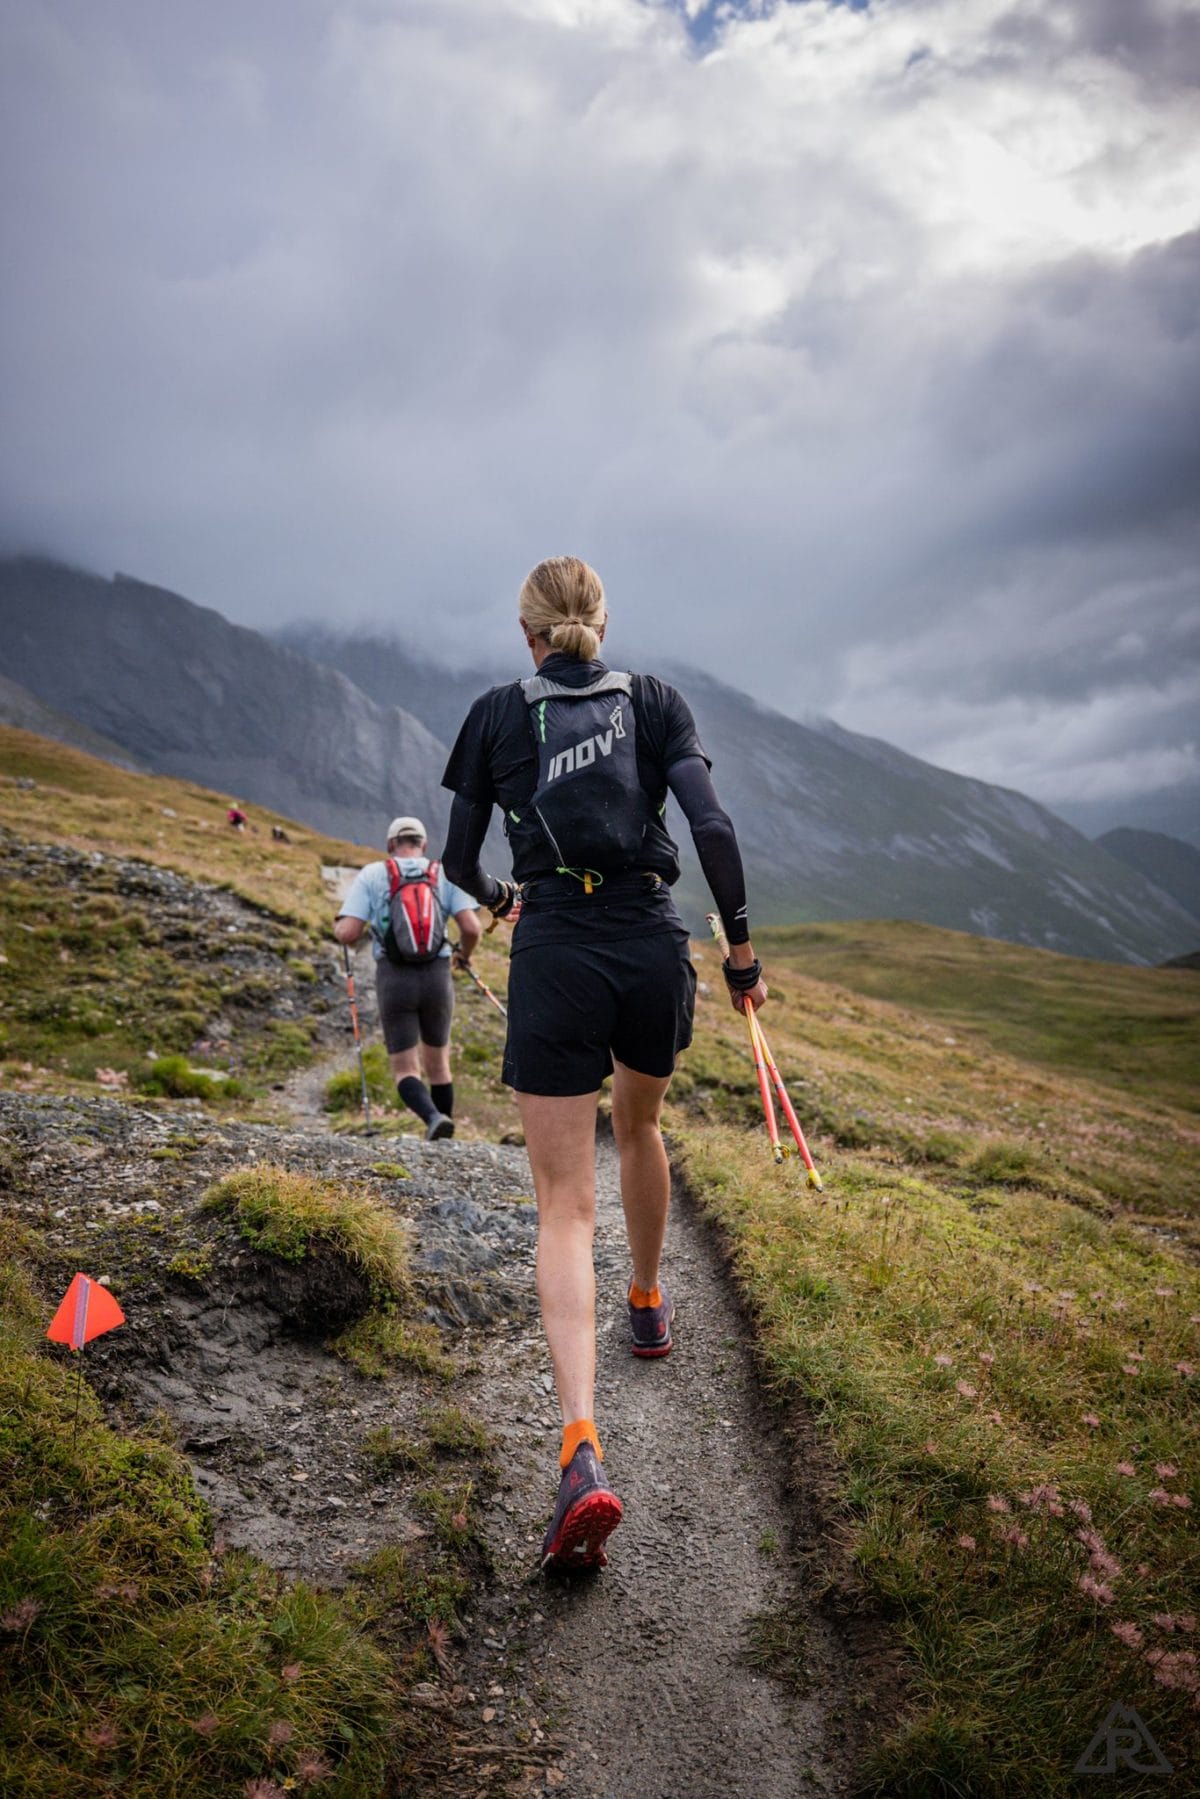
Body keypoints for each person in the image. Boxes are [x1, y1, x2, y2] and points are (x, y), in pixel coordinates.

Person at [441, 555, 767, 1572]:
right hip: (648, 940)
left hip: (556, 952)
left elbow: (456, 863)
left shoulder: (496, 713)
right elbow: (709, 823)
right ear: (601, 623)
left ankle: (581, 1441)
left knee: (563, 1205)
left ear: (525, 631)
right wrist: (743, 951)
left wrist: (501, 904)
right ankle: (649, 1299)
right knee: (641, 1122)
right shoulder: (658, 700)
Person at [334, 816, 481, 1140]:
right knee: (439, 1064)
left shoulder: (374, 874)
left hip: (394, 979)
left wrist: (338, 924)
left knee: (404, 1068)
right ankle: (445, 1133)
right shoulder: (441, 872)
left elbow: (348, 933)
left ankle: (431, 1118)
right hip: (437, 977)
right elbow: (471, 928)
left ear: (391, 846)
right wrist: (464, 956)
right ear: (423, 845)